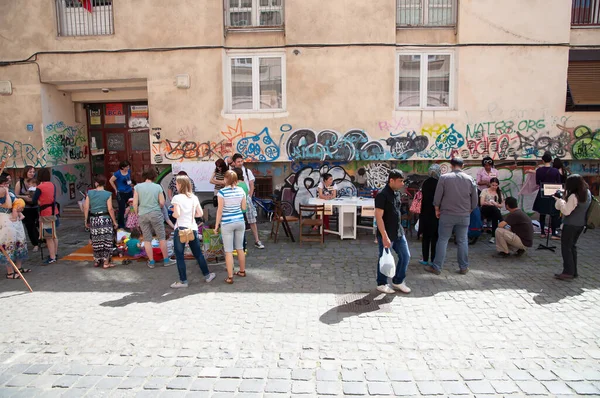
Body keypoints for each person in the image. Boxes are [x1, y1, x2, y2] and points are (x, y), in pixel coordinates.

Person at [425, 157, 478, 275]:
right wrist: (470, 210)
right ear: (462, 166)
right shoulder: (470, 179)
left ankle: (437, 267)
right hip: (464, 215)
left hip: (447, 214)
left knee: (443, 240)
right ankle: (464, 267)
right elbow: (475, 200)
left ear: (451, 165)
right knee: (462, 241)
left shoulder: (444, 178)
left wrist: (436, 209)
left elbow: (438, 196)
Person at [170, 175, 216, 288]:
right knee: (198, 253)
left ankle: (183, 281)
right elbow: (200, 213)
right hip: (192, 228)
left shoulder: (176, 198)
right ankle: (207, 275)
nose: (175, 185)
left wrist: (173, 212)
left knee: (179, 256)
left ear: (180, 185)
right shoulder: (194, 197)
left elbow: (177, 214)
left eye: (177, 183)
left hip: (180, 229)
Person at [374, 170, 411, 294]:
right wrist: (384, 236)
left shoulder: (397, 193)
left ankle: (398, 281)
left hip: (399, 232)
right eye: (400, 181)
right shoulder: (382, 195)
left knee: (405, 256)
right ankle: (381, 283)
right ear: (391, 180)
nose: (402, 183)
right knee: (384, 259)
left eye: (402, 181)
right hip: (387, 233)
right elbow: (378, 217)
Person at [133, 168, 176, 268]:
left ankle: (151, 262)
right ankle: (166, 260)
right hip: (156, 213)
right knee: (161, 237)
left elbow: (135, 203)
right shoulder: (157, 187)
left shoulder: (137, 187)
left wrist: (137, 213)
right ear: (153, 176)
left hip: (142, 214)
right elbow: (162, 202)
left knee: (147, 239)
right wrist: (157, 208)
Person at [553, 174, 591, 280]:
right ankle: (574, 271)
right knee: (572, 247)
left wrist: (560, 200)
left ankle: (568, 272)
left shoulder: (574, 196)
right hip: (580, 224)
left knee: (566, 248)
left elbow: (566, 211)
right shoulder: (587, 192)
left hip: (570, 225)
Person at [214, 170, 247, 284]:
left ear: (225, 179)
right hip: (240, 221)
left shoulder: (222, 192)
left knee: (228, 251)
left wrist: (216, 225)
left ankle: (230, 277)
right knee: (240, 248)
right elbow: (243, 207)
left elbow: (220, 210)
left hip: (227, 223)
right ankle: (242, 271)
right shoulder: (241, 190)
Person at [230, 153, 265, 249]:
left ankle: (257, 240)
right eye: (238, 161)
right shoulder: (231, 172)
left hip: (247, 198)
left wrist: (249, 196)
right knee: (236, 221)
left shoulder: (247, 171)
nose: (240, 163)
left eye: (241, 161)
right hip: (235, 199)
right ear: (234, 162)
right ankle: (237, 243)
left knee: (252, 220)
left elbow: (251, 184)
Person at [84, 175, 118, 269]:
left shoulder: (89, 193)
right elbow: (110, 209)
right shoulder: (108, 194)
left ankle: (97, 260)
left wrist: (86, 219)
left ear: (97, 183)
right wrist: (114, 221)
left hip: (94, 219)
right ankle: (106, 262)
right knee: (107, 241)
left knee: (96, 240)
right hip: (105, 219)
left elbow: (86, 207)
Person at [0, 176, 31, 278]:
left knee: (19, 241)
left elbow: (19, 205)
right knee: (9, 244)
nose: (5, 186)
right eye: (3, 184)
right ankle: (10, 272)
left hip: (16, 220)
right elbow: (8, 205)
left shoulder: (11, 192)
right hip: (5, 219)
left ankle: (19, 268)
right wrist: (7, 193)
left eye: (6, 184)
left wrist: (19, 208)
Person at [531, 151, 561, 240]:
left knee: (542, 213)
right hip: (552, 194)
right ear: (551, 160)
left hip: (542, 193)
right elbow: (558, 183)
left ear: (542, 160)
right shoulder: (555, 171)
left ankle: (543, 233)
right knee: (554, 214)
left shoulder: (539, 170)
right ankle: (553, 233)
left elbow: (537, 182)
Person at [32, 167, 59, 264]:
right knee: (54, 235)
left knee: (48, 237)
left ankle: (52, 257)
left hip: (45, 213)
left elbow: (34, 200)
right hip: (54, 211)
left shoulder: (40, 187)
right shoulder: (52, 185)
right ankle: (55, 253)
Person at [419, 164, 441, 265]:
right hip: (436, 214)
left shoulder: (425, 182)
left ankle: (424, 259)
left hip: (425, 214)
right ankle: (433, 259)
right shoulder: (440, 183)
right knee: (435, 237)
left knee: (426, 237)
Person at [15, 166, 39, 251]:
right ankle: (35, 243)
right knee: (30, 225)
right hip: (26, 207)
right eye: (30, 172)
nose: (32, 174)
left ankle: (42, 239)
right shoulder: (20, 183)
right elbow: (16, 195)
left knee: (39, 224)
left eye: (33, 172)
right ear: (26, 172)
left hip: (36, 206)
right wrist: (24, 197)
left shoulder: (36, 181)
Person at [479, 177, 504, 244]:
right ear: (490, 184)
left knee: (495, 214)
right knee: (494, 209)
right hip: (485, 209)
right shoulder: (485, 190)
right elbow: (481, 203)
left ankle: (493, 236)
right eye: (493, 185)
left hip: (495, 211)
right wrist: (489, 203)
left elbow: (501, 205)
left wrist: (495, 204)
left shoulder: (499, 192)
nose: (494, 187)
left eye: (496, 185)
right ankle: (502, 221)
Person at [109, 161, 133, 229]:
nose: (128, 168)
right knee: (121, 209)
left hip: (129, 191)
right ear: (122, 167)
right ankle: (121, 225)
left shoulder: (128, 171)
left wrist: (131, 184)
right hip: (121, 192)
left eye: (128, 167)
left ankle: (131, 222)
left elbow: (129, 179)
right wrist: (115, 189)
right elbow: (111, 180)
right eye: (127, 167)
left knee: (131, 208)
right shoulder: (118, 173)